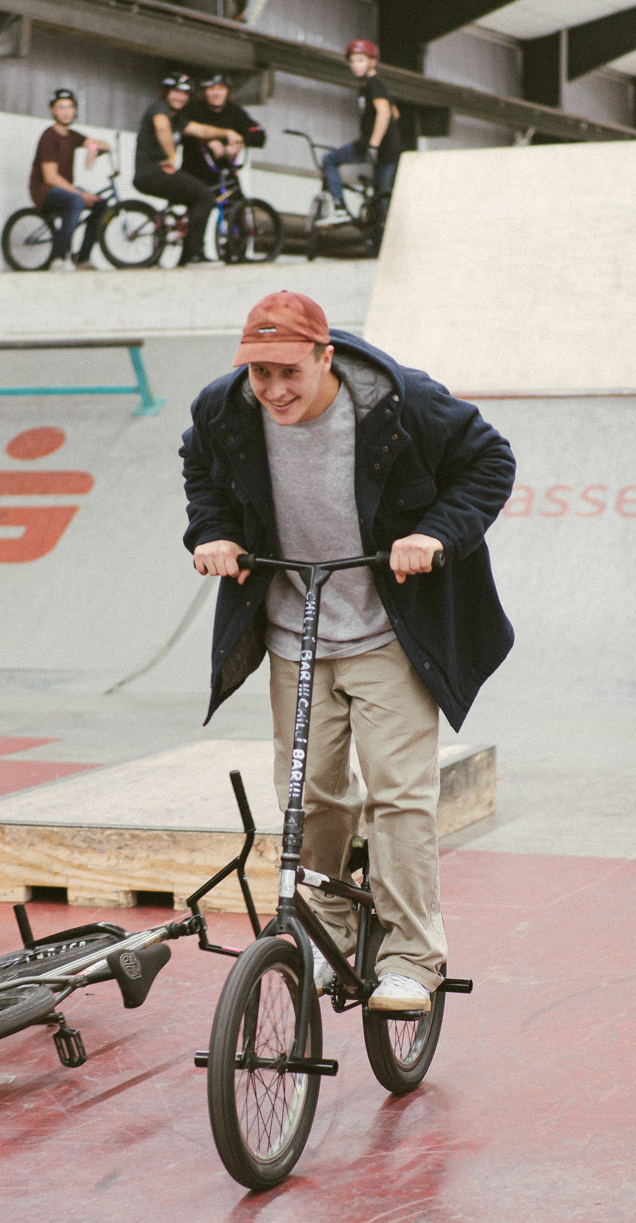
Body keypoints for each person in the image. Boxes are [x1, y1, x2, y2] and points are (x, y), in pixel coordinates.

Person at [181, 292, 515, 1012]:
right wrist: (211, 531)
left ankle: (410, 957)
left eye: (289, 372)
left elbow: (489, 461)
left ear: (325, 356)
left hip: (386, 630)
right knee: (312, 795)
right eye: (257, 374)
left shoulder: (400, 402)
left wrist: (435, 535)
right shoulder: (225, 410)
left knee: (398, 795)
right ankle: (325, 934)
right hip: (291, 628)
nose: (272, 391)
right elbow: (201, 470)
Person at [134, 73, 233, 265]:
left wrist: (227, 133)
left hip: (155, 173)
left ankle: (185, 256)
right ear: (167, 93)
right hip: (153, 172)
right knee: (205, 196)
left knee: (195, 196)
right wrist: (171, 156)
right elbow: (162, 127)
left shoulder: (177, 118)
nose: (181, 97)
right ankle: (194, 254)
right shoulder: (159, 108)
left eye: (185, 94)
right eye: (176, 92)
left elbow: (202, 130)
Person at [28, 87, 111, 272]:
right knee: (75, 201)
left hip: (64, 189)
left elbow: (106, 145)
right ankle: (57, 258)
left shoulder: (72, 135)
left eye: (69, 107)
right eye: (60, 107)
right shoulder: (49, 136)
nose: (66, 112)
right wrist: (79, 193)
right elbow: (50, 177)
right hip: (44, 190)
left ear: (75, 110)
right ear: (52, 110)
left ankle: (82, 258)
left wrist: (91, 146)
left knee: (101, 204)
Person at [320, 39, 400, 226]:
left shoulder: (373, 83)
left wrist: (373, 144)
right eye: (353, 61)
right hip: (390, 149)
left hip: (375, 145)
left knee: (329, 160)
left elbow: (385, 112)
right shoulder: (374, 85)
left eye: (361, 60)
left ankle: (340, 208)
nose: (356, 65)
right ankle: (381, 238)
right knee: (382, 197)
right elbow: (396, 113)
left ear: (373, 62)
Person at [181, 74, 264, 189]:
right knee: (202, 200)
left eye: (221, 89)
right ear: (204, 92)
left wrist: (238, 143)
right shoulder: (193, 109)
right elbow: (183, 133)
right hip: (194, 171)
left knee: (236, 202)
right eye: (211, 89)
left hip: (224, 173)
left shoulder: (234, 111)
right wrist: (208, 142)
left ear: (227, 92)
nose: (216, 93)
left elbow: (258, 134)